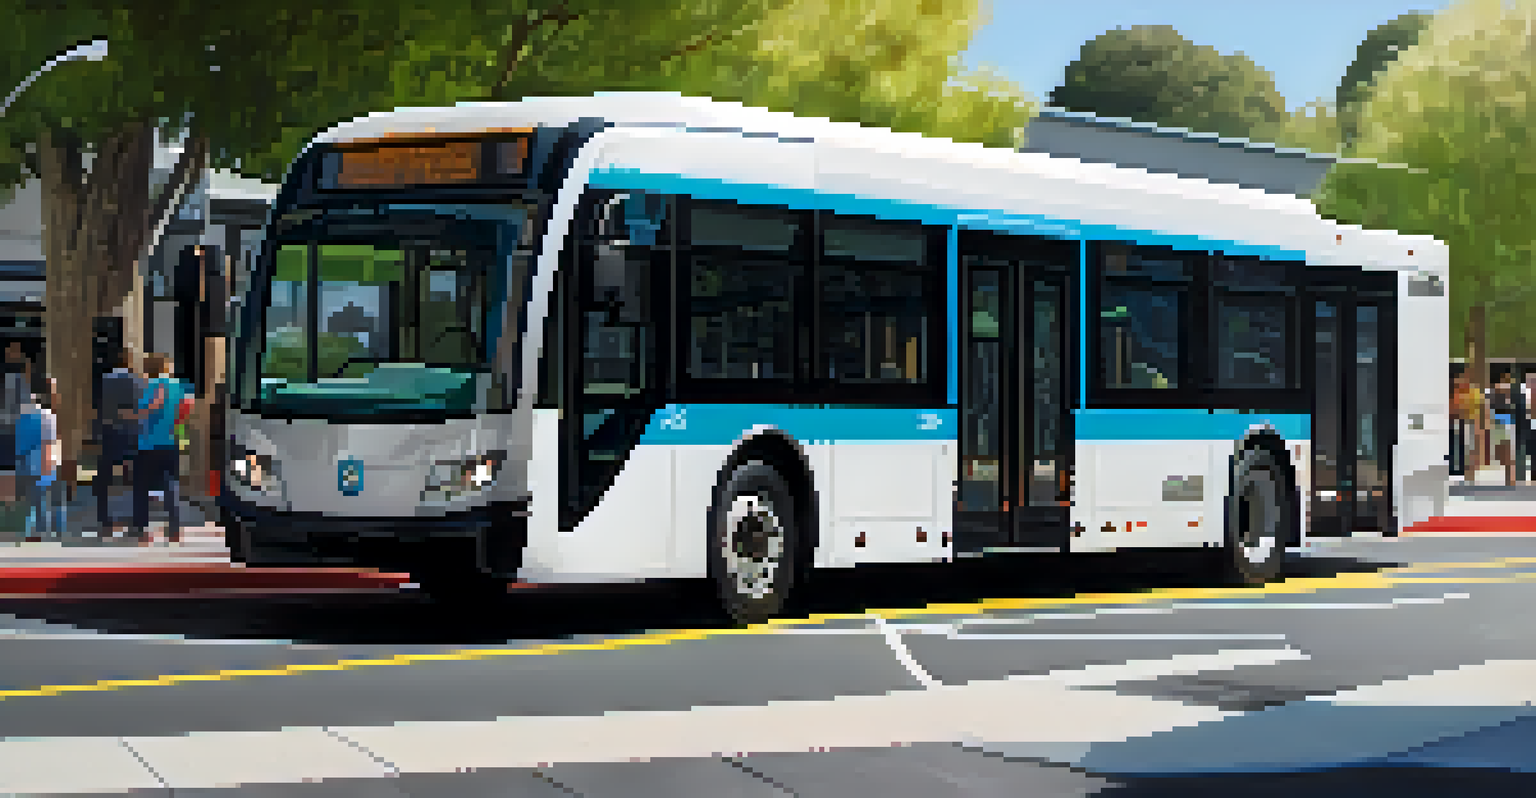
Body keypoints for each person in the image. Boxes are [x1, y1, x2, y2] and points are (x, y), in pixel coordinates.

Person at [132, 353, 190, 545]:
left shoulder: (149, 386)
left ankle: (142, 531)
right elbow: (186, 406)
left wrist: (134, 415)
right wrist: (176, 423)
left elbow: (148, 408)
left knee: (141, 487)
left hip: (148, 444)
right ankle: (174, 530)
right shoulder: (177, 385)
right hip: (170, 442)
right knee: (171, 485)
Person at [97, 347, 144, 536]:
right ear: (129, 361)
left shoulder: (106, 380)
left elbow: (102, 406)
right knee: (136, 478)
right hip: (132, 432)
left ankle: (105, 520)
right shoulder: (138, 381)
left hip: (111, 431)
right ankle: (137, 522)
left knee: (105, 477)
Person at [16, 387, 64, 542]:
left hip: (28, 461)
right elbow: (50, 441)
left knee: (35, 499)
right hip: (46, 460)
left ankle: (37, 530)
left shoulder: (22, 419)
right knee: (50, 496)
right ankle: (55, 528)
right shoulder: (48, 416)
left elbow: (20, 445)